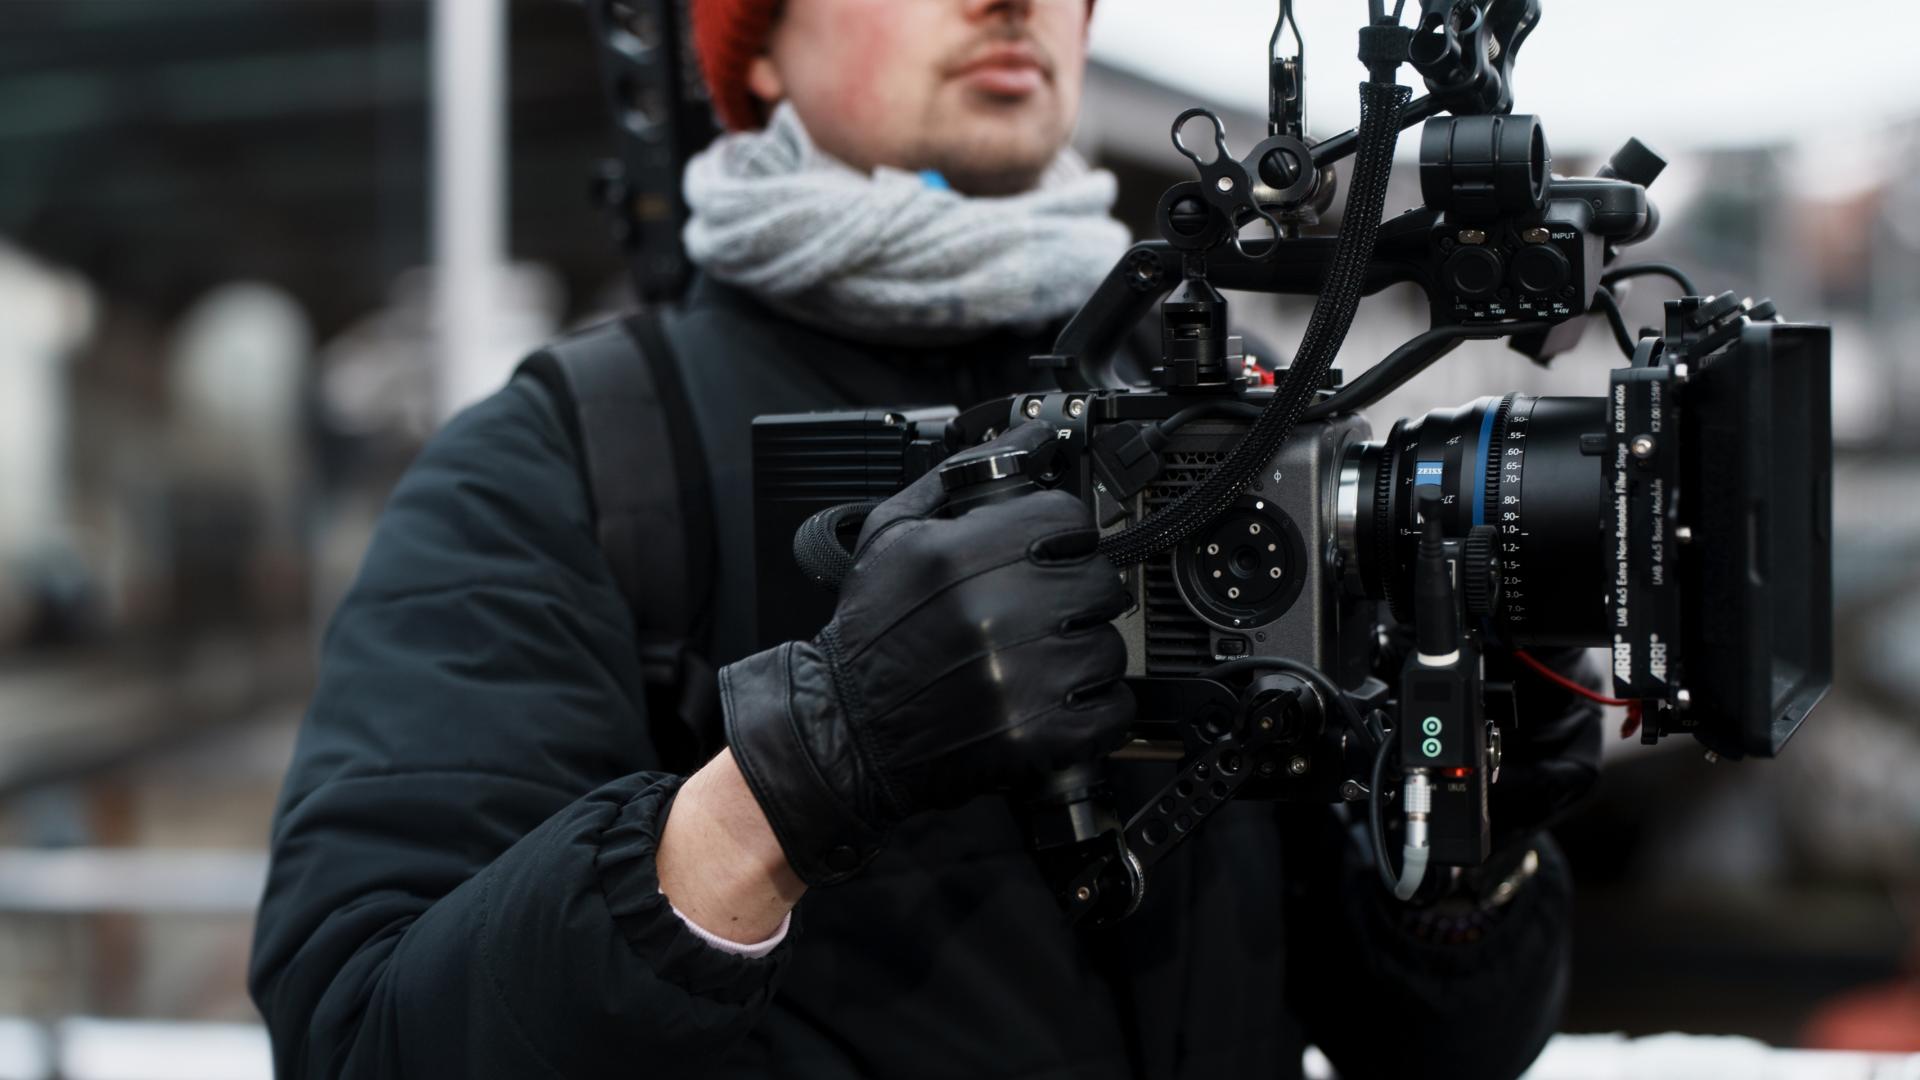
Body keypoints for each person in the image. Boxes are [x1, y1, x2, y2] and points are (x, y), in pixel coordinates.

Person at [249, 0, 1602, 1076]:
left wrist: (1469, 843)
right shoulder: (567, 462)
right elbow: (363, 1032)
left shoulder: (1242, 407)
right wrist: (804, 772)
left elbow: (1436, 1047)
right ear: (759, 46)